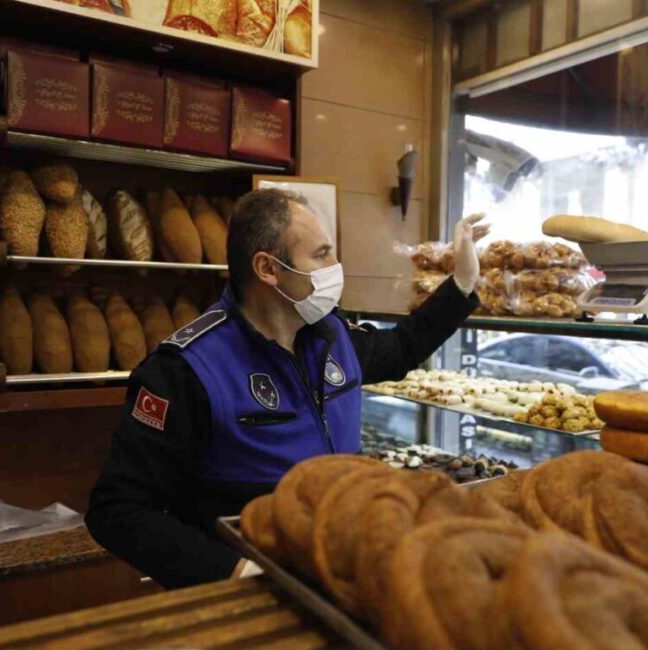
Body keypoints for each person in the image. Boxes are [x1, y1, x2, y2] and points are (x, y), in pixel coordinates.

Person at [86, 189, 489, 589]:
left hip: (337, 569)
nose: (336, 266)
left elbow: (402, 348)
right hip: (248, 591)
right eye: (321, 255)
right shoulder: (186, 369)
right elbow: (118, 511)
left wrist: (462, 282)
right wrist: (235, 571)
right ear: (268, 268)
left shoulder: (333, 336)